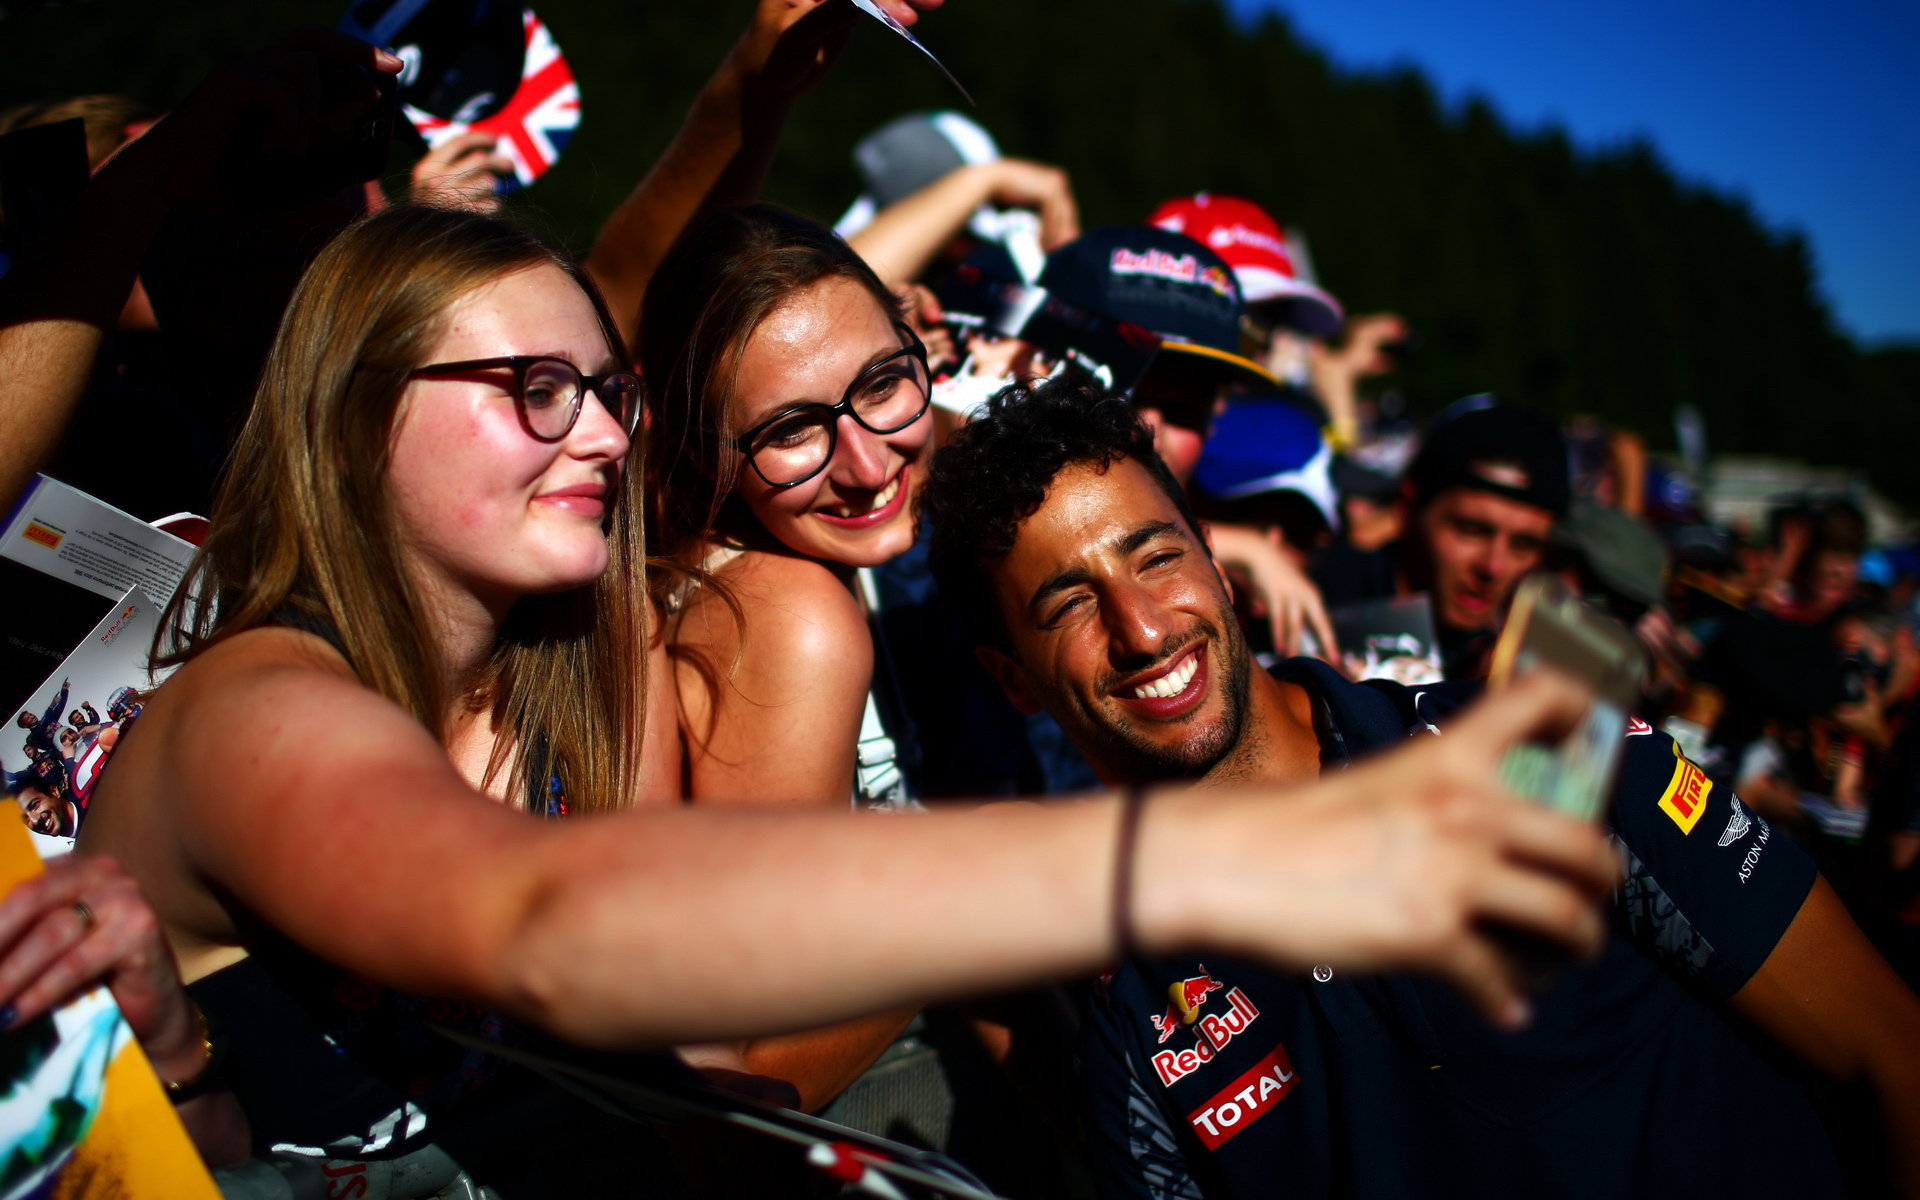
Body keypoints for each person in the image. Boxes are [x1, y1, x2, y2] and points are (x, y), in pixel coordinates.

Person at [52, 203, 1621, 1189]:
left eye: (603, 393)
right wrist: (1200, 869)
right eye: (534, 394)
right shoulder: (265, 703)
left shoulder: (562, 688)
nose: (594, 434)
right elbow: (568, 931)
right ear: (349, 413)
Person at [921, 376, 1920, 1198]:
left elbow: (1892, 1050)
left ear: (1221, 572)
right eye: (1069, 605)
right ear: (1014, 680)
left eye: (1157, 557)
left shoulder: (1550, 745)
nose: (1141, 627)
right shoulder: (1136, 1019)